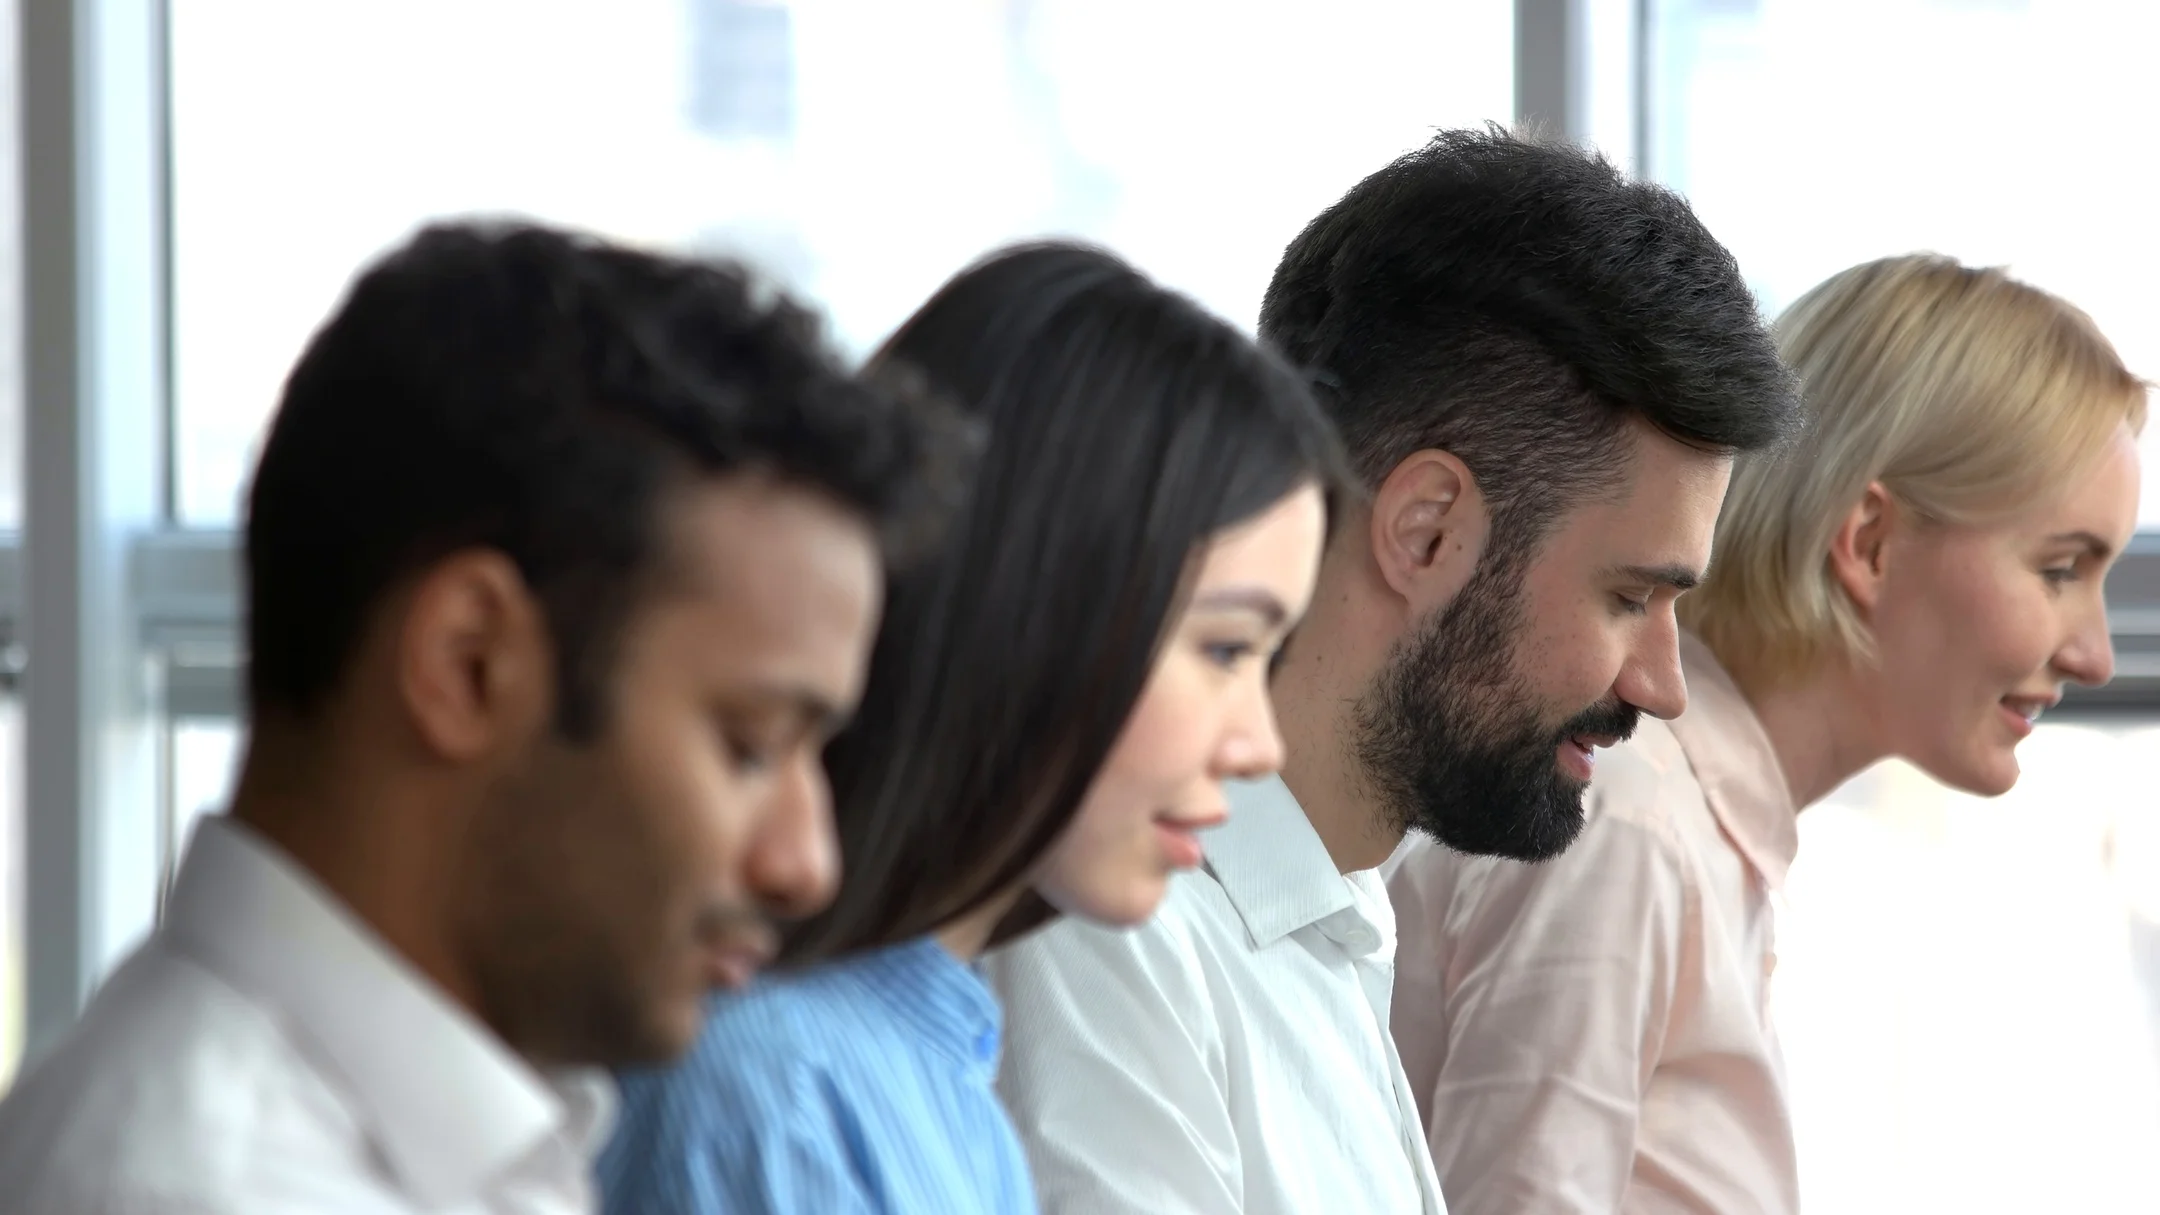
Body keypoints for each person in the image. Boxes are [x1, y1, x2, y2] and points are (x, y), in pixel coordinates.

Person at [0, 221, 973, 1214]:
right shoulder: (194, 1191)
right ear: (467, 665)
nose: (807, 864)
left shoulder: (480, 1149)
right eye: (751, 746)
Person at [984, 126, 1801, 1214]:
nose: (1664, 684)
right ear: (1424, 533)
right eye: (1628, 598)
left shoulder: (1334, 911)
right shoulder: (1107, 934)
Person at [1388, 254, 2148, 1214]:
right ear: (1869, 543)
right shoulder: (1630, 826)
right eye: (2060, 569)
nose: (2095, 655)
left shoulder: (1683, 830)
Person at [596, 241, 1343, 1215]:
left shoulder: (929, 1065)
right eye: (1223, 649)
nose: (1258, 745)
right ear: (1031, 607)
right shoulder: (780, 1097)